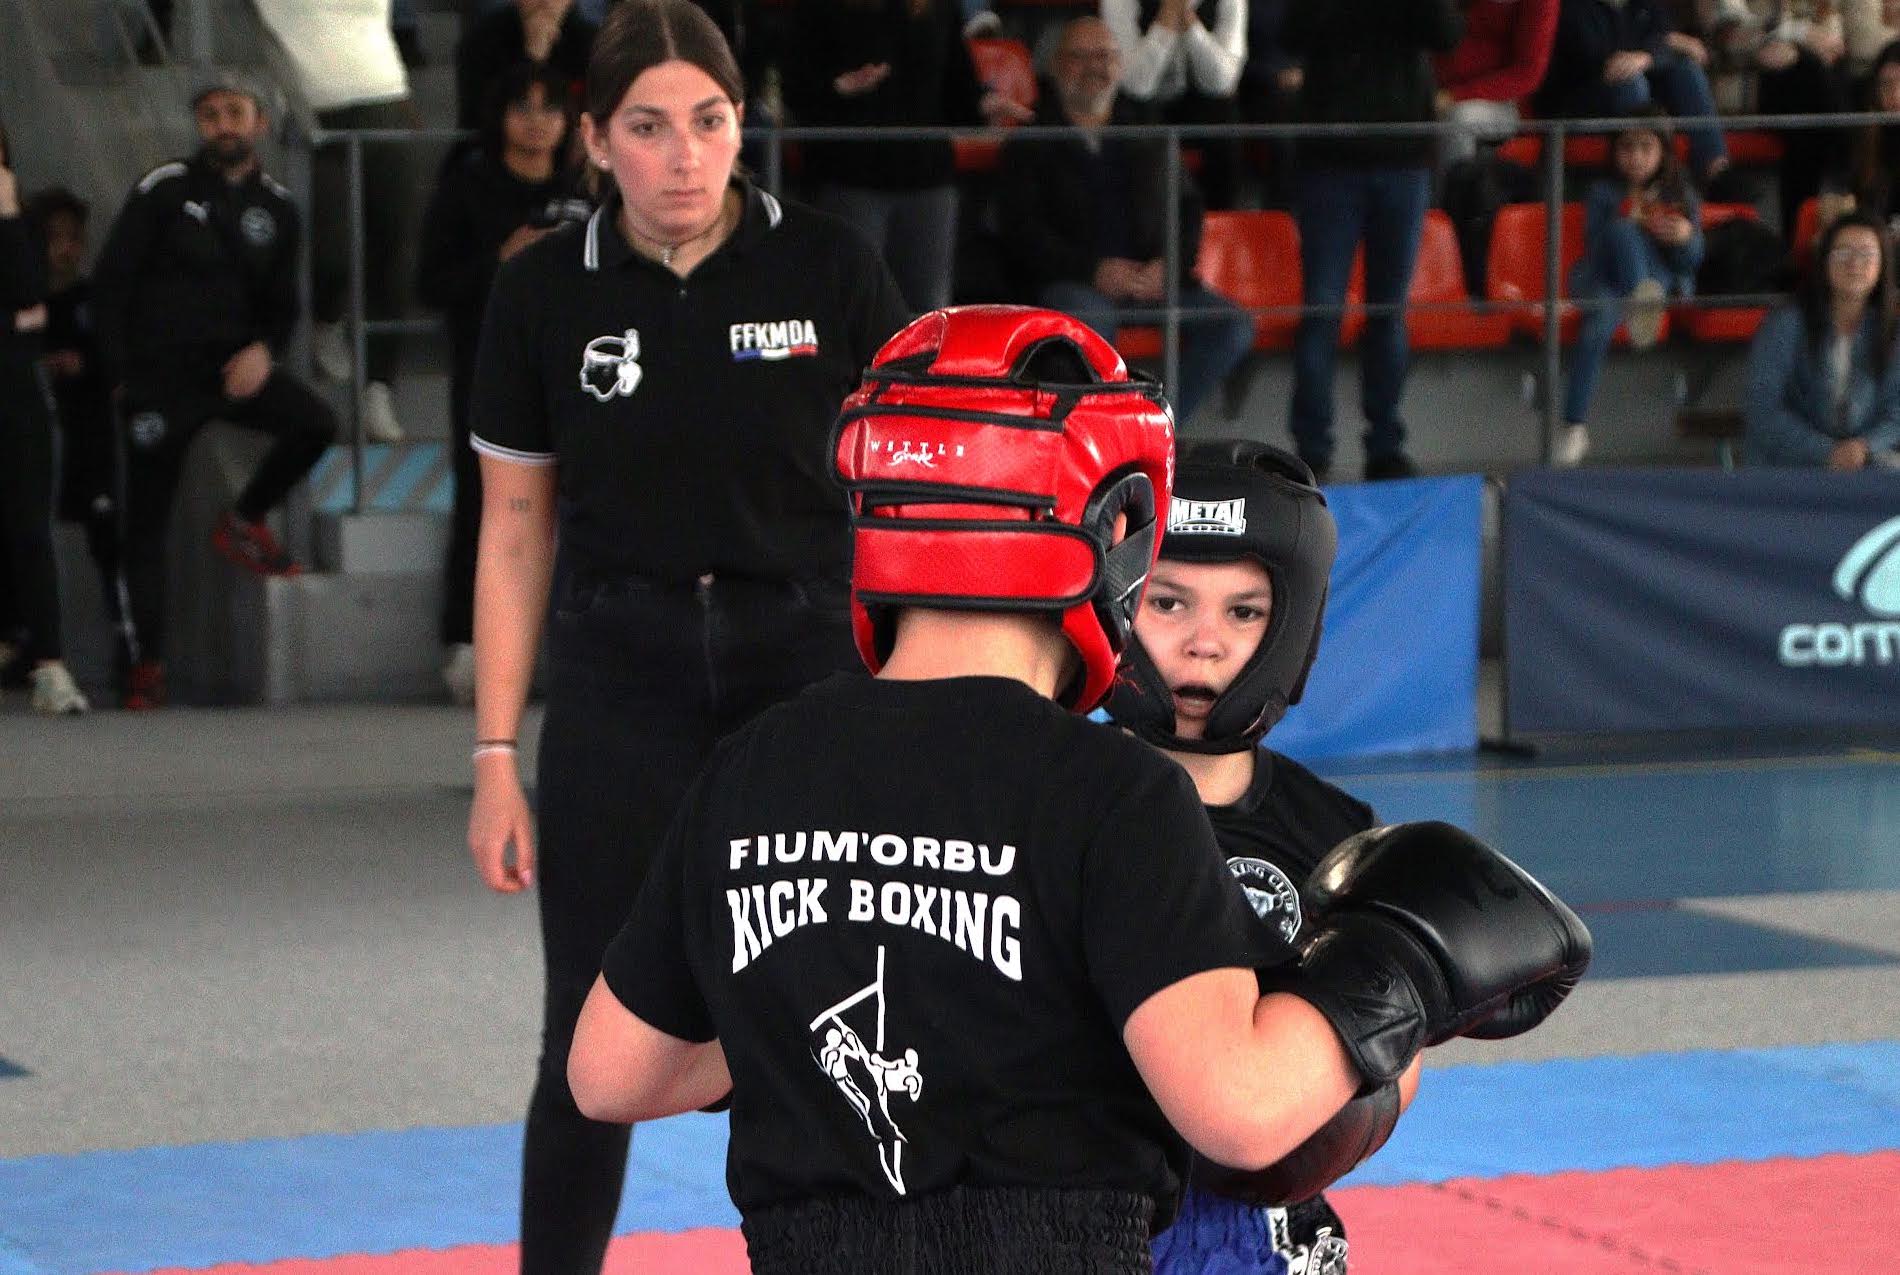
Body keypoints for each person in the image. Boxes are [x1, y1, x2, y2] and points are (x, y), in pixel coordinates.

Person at [564, 304, 1594, 1274]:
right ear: (1112, 531)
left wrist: (814, 1006)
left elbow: (611, 1075)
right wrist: (1404, 967)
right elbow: (1239, 1113)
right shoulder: (1108, 788)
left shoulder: (754, 765)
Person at [462, 3, 911, 1269]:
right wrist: (497, 751)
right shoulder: (542, 291)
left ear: (741, 123)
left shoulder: (830, 268)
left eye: (708, 122)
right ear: (596, 141)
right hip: (620, 673)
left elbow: (907, 500)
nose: (684, 156)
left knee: (838, 1011)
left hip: (806, 667)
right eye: (648, 128)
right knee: (586, 1037)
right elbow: (511, 526)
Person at [1108, 439, 1389, 1273]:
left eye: (1243, 611)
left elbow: (1394, 1064)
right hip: (1092, 1218)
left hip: (1271, 1232)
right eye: (1168, 603)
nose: (1204, 643)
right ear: (1118, 603)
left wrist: (1353, 1096)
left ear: (1291, 624)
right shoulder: (1054, 803)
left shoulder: (1334, 830)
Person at [91, 76, 338, 711]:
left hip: (233, 372)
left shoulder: (278, 207)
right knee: (145, 522)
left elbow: (283, 305)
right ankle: (145, 665)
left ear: (258, 123)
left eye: (234, 113)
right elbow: (113, 281)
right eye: (209, 115)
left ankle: (245, 519)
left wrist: (266, 351)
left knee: (316, 422)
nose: (222, 125)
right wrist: (120, 373)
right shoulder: (165, 189)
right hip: (160, 382)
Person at [418, 61, 591, 706]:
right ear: (498, 117)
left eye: (550, 109)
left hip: (577, 371)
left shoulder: (585, 191)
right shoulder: (469, 186)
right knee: (485, 504)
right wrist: (499, 260)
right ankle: (467, 645)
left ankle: (569, 648)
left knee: (579, 504)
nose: (537, 122)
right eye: (523, 107)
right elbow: (430, 284)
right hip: (487, 363)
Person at [995, 16, 1255, 427]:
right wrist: (1093, 271)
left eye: (1105, 56)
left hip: (1150, 281)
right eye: (1080, 57)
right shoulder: (1030, 141)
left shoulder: (1148, 132)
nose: (1095, 67)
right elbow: (1020, 233)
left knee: (1232, 325)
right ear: (1057, 67)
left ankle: (1154, 424)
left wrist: (1168, 268)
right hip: (1076, 284)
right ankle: (1100, 436)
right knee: (1090, 322)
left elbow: (1189, 211)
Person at [1283, 0, 1463, 483]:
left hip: (1403, 157)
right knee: (1322, 311)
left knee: (1389, 312)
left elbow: (1446, 30)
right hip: (1330, 162)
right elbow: (1293, 30)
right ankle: (1311, 450)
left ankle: (1386, 444)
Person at [781, 0, 1031, 312]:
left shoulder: (938, 9)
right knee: (854, 305)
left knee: (927, 313)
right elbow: (794, 89)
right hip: (852, 177)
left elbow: (958, 89)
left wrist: (984, 106)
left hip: (927, 180)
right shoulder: (820, 9)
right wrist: (837, 88)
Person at [26, 187, 136, 683]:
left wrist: (85, 365)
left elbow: (115, 362)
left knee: (107, 540)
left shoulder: (93, 302)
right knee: (24, 540)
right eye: (53, 239)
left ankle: (128, 644)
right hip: (33, 444)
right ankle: (26, 644)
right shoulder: (22, 303)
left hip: (88, 443)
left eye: (74, 238)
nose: (64, 250)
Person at [0, 120, 90, 714]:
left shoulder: (22, 223)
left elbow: (32, 294)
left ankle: (50, 666)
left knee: (29, 527)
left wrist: (5, 210)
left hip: (14, 392)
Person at [1556, 110, 1704, 468]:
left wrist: (1684, 238)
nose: (1635, 157)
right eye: (1626, 148)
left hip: (1660, 278)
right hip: (1605, 278)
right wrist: (1631, 220)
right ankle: (1574, 426)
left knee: (1606, 316)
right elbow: (1596, 245)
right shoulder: (1603, 192)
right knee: (1620, 238)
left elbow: (1690, 262)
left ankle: (1572, 422)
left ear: (1663, 153)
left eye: (1645, 147)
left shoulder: (1680, 193)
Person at [1745, 211, 1900, 467]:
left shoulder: (1893, 331)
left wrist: (1863, 448)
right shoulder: (1785, 324)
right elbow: (1763, 410)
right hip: (1792, 465)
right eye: (1842, 253)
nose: (1854, 263)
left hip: (1866, 463)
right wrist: (1827, 452)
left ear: (1883, 264)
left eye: (1867, 254)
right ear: (1824, 261)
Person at [1536, 0, 1734, 193]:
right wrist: (1660, 47)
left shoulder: (1644, 4)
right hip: (1577, 98)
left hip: (1631, 88)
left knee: (1687, 71)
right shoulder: (1572, 7)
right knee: (1631, 81)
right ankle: (1644, 185)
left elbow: (1662, 40)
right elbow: (1605, 59)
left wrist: (1648, 56)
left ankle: (1715, 170)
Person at [1101, 0, 1250, 210]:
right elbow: (1136, 84)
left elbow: (1221, 80)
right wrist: (1166, 20)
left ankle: (1220, 222)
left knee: (1224, 115)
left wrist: (1190, 24)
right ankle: (1145, 226)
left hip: (1203, 105)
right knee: (1132, 113)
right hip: (1144, 106)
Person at [1435, 0, 1559, 165]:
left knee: (1459, 118)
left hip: (1503, 103)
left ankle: (1454, 188)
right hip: (1436, 85)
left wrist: (1455, 96)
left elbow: (1527, 74)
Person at [456, 0, 600, 128]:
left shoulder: (596, 43)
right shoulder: (481, 42)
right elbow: (479, 117)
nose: (544, 2)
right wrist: (532, 59)